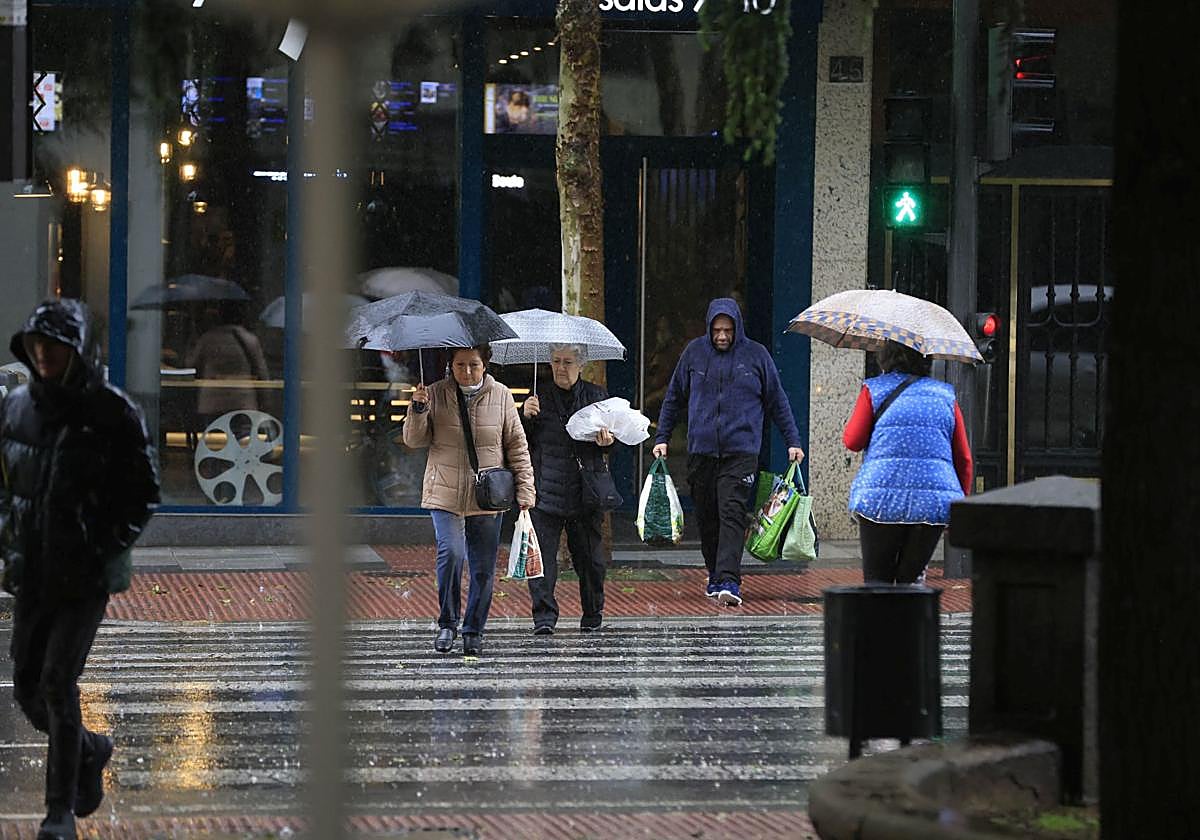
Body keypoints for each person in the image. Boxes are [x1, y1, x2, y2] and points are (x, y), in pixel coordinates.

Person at [1, 299, 160, 840]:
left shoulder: (112, 412)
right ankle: (91, 749)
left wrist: (99, 545)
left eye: (55, 345)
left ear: (78, 350)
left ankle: (59, 811)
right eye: (36, 345)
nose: (43, 354)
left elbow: (143, 493)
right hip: (32, 571)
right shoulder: (16, 407)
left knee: (57, 682)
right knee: (27, 688)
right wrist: (8, 536)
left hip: (84, 577)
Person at [653, 298, 805, 607]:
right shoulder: (694, 353)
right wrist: (662, 437)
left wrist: (793, 441)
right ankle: (714, 573)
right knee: (707, 517)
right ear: (709, 327)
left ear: (737, 328)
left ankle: (729, 580)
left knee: (732, 512)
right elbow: (673, 398)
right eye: (717, 330)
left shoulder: (756, 356)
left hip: (741, 452)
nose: (722, 336)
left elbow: (778, 401)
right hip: (702, 452)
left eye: (728, 330)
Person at [403, 344, 535, 656]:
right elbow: (413, 440)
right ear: (450, 365)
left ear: (485, 365)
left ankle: (474, 629)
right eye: (460, 365)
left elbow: (516, 445)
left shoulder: (501, 395)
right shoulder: (435, 393)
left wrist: (525, 489)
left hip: (487, 493)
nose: (467, 371)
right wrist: (418, 409)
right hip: (444, 490)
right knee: (452, 553)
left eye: (473, 365)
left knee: (483, 566)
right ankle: (448, 623)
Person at [842, 339, 973, 584]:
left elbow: (853, 441)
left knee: (877, 581)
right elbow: (963, 458)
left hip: (879, 501)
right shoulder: (946, 395)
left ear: (886, 356)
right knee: (910, 582)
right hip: (931, 503)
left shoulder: (874, 389)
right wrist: (958, 502)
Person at [521, 344, 617, 634]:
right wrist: (525, 417)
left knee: (591, 561)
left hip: (585, 492)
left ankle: (592, 614)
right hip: (546, 490)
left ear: (581, 365)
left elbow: (615, 441)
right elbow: (520, 442)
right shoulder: (537, 397)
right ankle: (544, 619)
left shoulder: (596, 397)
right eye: (555, 361)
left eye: (567, 362)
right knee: (541, 561)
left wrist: (608, 442)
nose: (561, 368)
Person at [184, 301, 271, 430]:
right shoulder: (249, 339)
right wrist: (266, 400)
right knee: (243, 436)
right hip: (243, 401)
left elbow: (191, 365)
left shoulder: (207, 339)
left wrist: (190, 344)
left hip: (212, 401)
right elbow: (261, 370)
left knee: (214, 438)